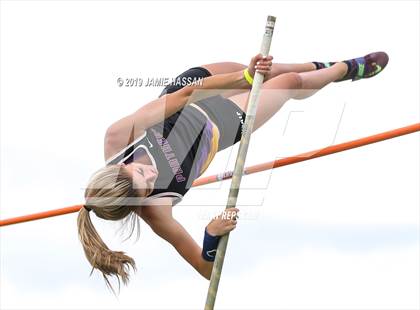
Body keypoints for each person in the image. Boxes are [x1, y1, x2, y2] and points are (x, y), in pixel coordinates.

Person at [77, 51, 388, 293]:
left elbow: (187, 96)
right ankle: (346, 69)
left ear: (119, 165)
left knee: (265, 71)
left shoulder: (119, 138)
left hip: (191, 93)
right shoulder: (157, 211)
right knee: (290, 82)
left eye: (139, 172)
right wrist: (211, 237)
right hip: (222, 124)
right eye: (147, 187)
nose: (150, 175)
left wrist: (246, 77)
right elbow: (207, 270)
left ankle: (318, 65)